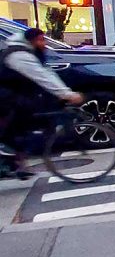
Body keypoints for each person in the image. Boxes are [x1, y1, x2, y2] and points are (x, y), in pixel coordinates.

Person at [0, 28, 84, 170]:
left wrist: (64, 92)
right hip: (5, 96)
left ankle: (14, 159)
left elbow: (47, 73)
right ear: (32, 41)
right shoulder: (19, 55)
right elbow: (41, 76)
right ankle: (10, 152)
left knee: (25, 120)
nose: (43, 43)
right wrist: (67, 94)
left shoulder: (29, 52)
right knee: (22, 119)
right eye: (40, 40)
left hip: (13, 94)